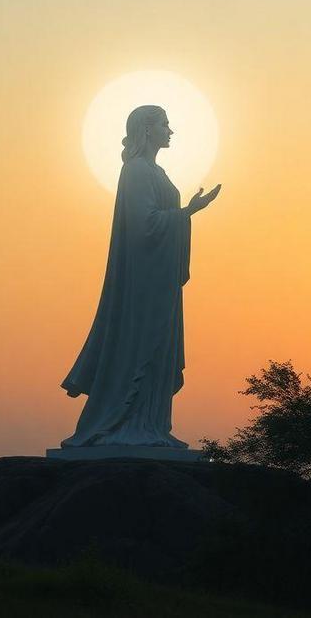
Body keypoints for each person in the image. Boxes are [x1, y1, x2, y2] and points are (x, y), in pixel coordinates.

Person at [60, 105, 221, 447]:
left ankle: (153, 425)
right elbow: (143, 225)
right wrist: (188, 212)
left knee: (161, 348)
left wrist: (185, 214)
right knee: (138, 347)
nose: (170, 130)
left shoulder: (156, 172)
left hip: (160, 280)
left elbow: (158, 219)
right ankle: (124, 424)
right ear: (146, 130)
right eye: (164, 123)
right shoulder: (134, 171)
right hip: (142, 284)